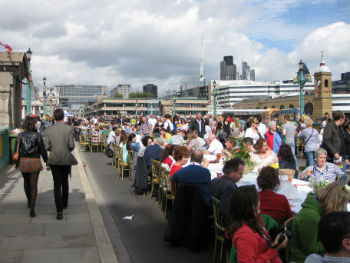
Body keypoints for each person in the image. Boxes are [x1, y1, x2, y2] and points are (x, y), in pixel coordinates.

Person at [290, 182, 350, 263]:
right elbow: (310, 249)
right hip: (302, 259)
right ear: (337, 203)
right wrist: (333, 241)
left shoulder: (319, 212)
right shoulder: (310, 217)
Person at [227, 185, 287, 263]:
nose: (260, 203)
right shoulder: (245, 235)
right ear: (251, 206)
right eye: (258, 200)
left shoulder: (252, 222)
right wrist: (274, 250)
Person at [45, 108, 78, 220]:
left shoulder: (49, 130)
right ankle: (65, 202)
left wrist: (54, 148)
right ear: (63, 117)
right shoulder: (69, 129)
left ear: (54, 117)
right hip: (65, 159)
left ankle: (59, 210)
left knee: (56, 184)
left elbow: (47, 146)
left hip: (54, 159)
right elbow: (71, 146)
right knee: (65, 181)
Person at [17, 116, 48, 217]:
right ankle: (32, 210)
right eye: (35, 123)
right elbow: (42, 149)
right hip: (34, 161)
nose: (37, 124)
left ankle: (29, 201)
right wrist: (47, 161)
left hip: (23, 161)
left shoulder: (20, 135)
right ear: (32, 124)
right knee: (33, 185)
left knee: (26, 183)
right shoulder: (37, 135)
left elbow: (15, 150)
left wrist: (17, 163)